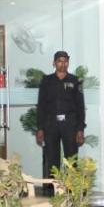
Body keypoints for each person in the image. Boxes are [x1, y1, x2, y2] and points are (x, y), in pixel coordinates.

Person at [36, 50, 85, 188]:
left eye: (65, 61)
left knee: (71, 158)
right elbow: (41, 106)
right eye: (59, 61)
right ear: (54, 63)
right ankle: (52, 191)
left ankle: (72, 190)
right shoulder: (46, 81)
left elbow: (80, 106)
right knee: (51, 159)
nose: (62, 64)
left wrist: (80, 129)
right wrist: (40, 128)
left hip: (70, 123)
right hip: (50, 124)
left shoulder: (75, 81)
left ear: (68, 63)